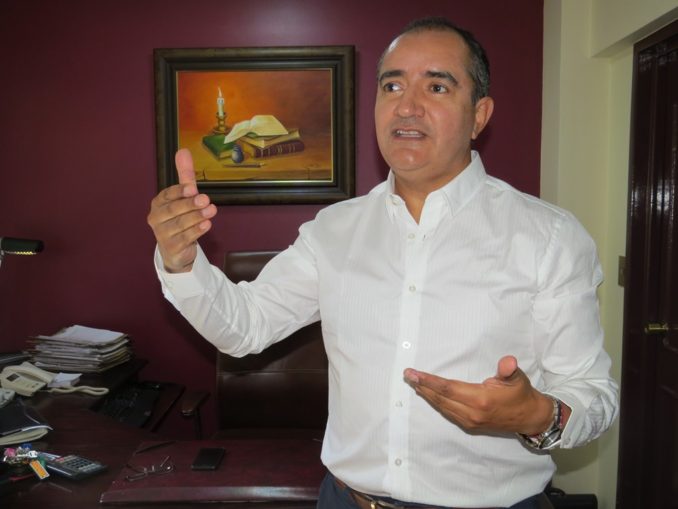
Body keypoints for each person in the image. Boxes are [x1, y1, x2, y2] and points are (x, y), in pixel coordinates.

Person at [148, 16, 618, 509]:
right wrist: (181, 261)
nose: (407, 106)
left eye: (437, 86)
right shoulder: (334, 230)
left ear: (479, 115)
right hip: (345, 499)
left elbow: (594, 395)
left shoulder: (549, 237)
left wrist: (537, 415)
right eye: (392, 85)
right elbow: (245, 327)